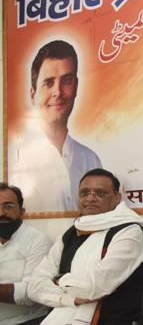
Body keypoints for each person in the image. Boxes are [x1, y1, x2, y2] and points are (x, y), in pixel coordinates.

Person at [28, 169, 143, 325]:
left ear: (117, 198)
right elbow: (34, 286)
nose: (90, 198)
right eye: (85, 192)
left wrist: (57, 279)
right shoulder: (71, 233)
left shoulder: (129, 232)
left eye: (100, 193)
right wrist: (69, 298)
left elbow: (95, 286)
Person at [9, 40, 102, 212]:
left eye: (66, 80)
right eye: (48, 83)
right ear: (33, 94)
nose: (58, 92)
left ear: (76, 87)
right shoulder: (13, 157)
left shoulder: (90, 159)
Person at [0, 183, 51, 325]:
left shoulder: (38, 241)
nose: (1, 213)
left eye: (8, 206)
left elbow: (32, 292)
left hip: (25, 321)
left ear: (22, 211)